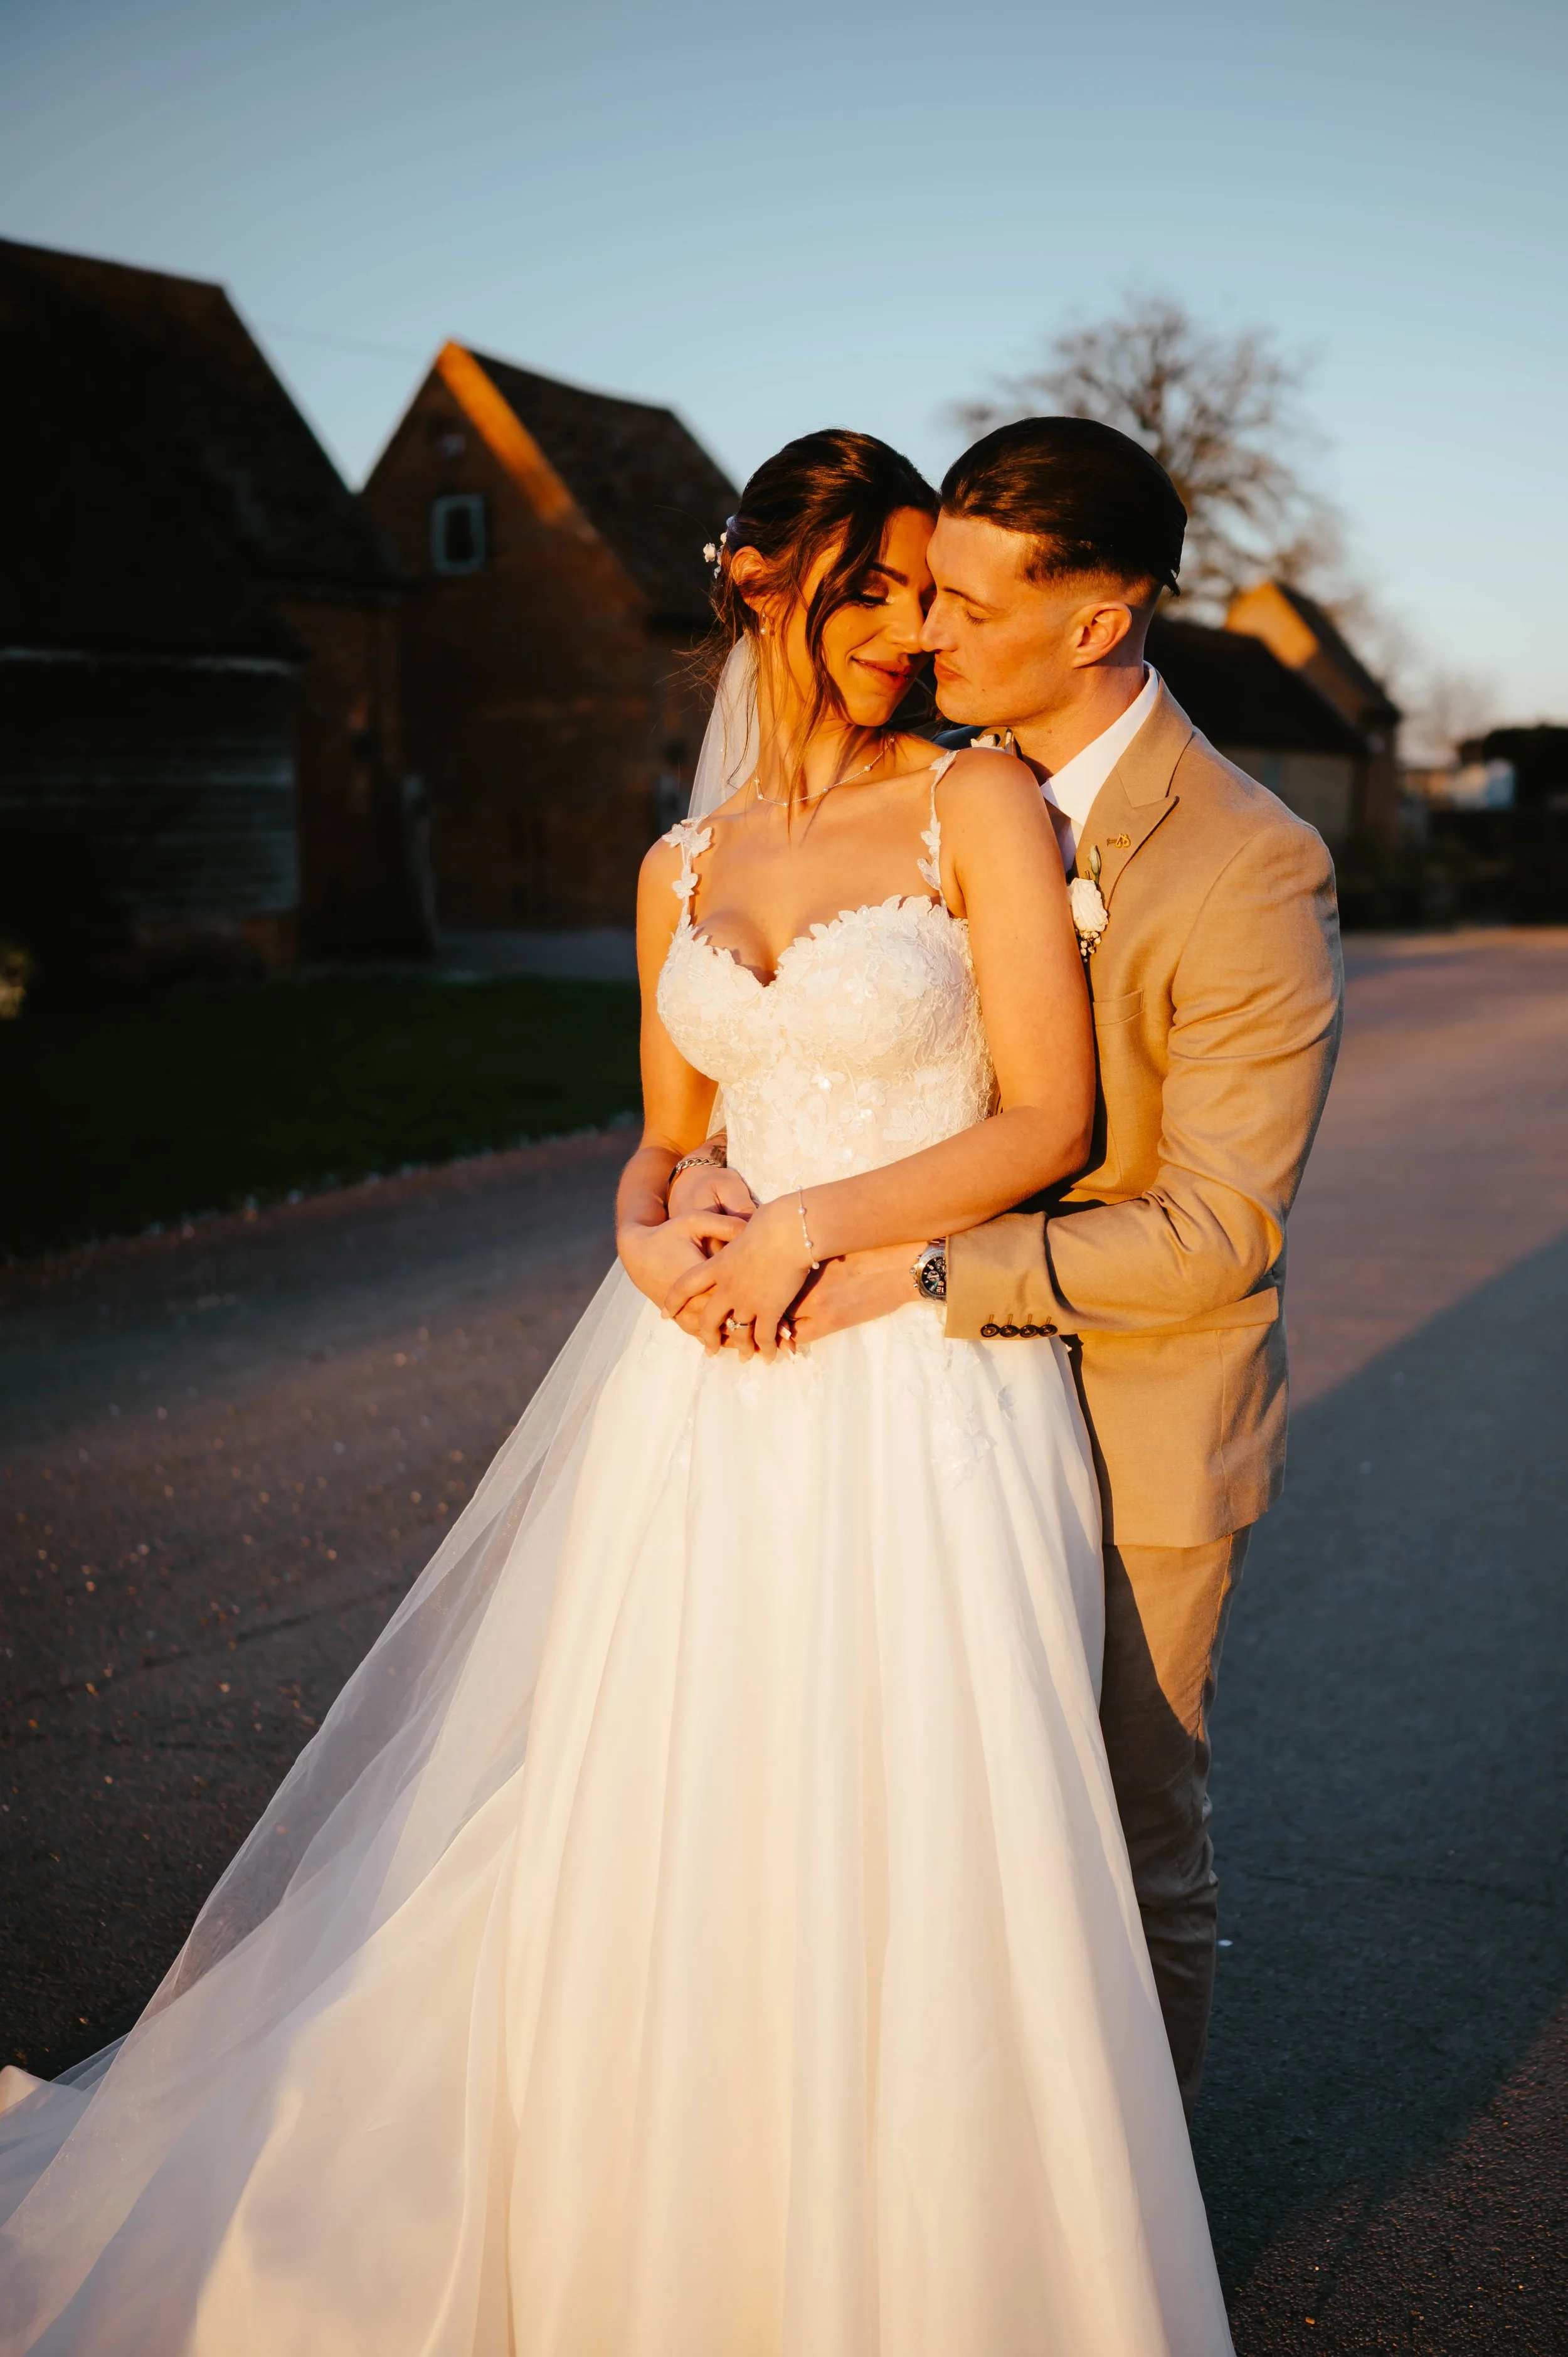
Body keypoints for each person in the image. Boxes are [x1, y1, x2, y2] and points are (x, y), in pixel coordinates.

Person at [0, 429, 1234, 2354]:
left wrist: (805, 1229)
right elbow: (665, 1143)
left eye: (928, 590)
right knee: (688, 1787)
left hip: (918, 1378)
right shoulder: (681, 864)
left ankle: (924, 2241)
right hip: (712, 1382)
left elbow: (1046, 1120)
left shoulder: (975, 802)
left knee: (919, 1801)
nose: (911, 628)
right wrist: (654, 1247)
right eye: (873, 588)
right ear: (761, 593)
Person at [673, 415, 1343, 2121]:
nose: (927, 629)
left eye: (967, 605)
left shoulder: (1252, 862)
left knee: (1120, 1842)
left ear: (1098, 618)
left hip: (1130, 1419)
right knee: (892, 1824)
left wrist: (908, 1272)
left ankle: (1132, 2216)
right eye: (922, 593)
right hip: (902, 1409)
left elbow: (1216, 1232)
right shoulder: (937, 790)